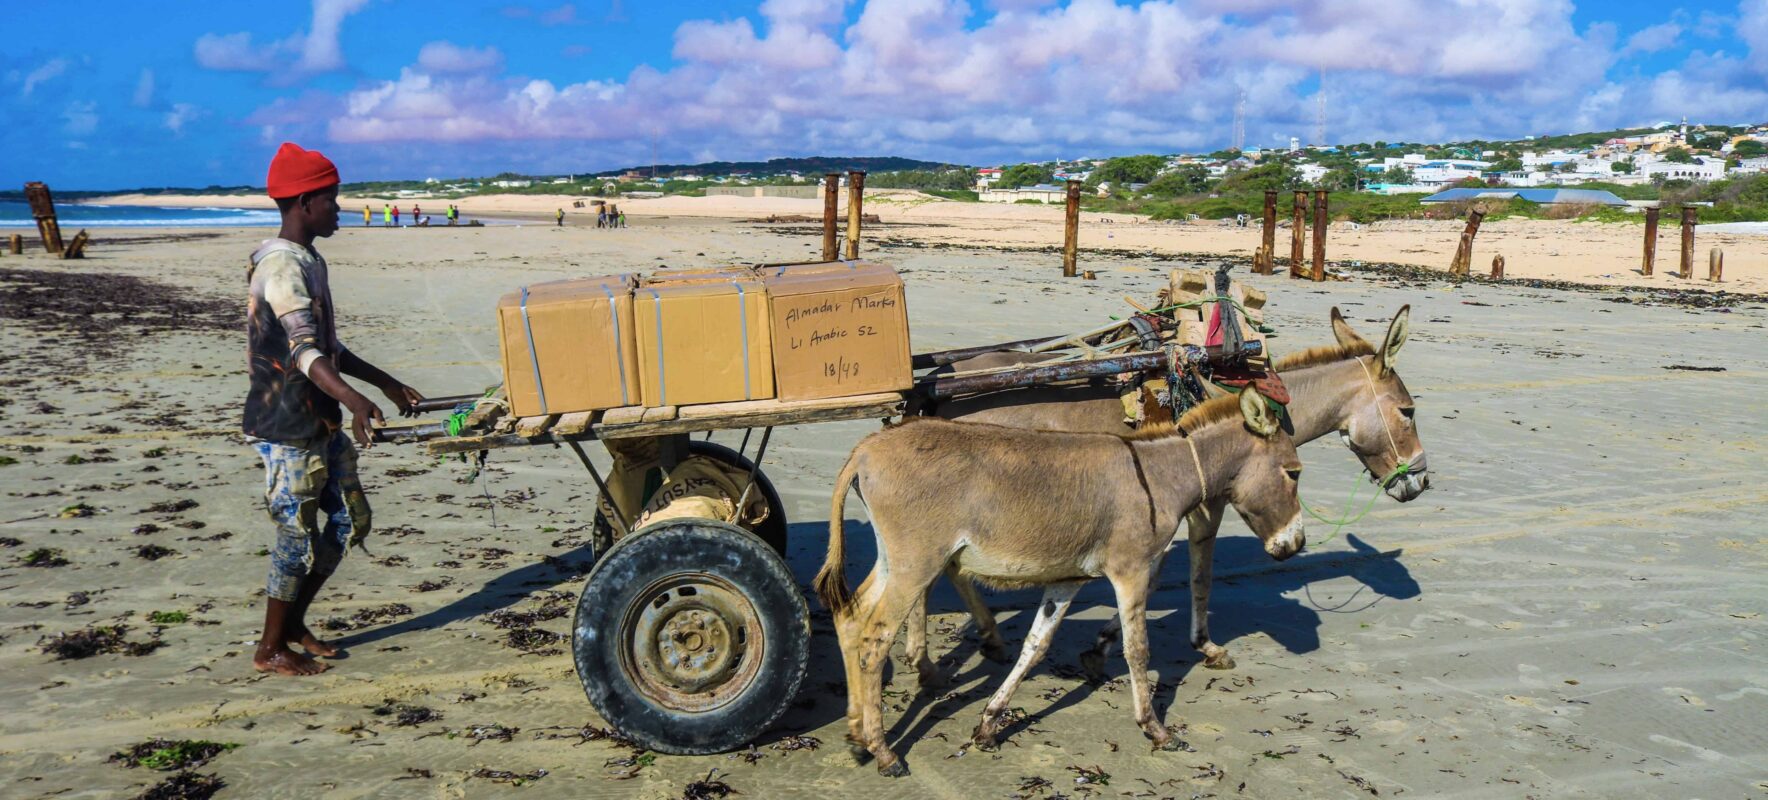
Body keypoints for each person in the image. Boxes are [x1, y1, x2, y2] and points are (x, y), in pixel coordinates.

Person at [245, 142, 424, 676]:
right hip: (286, 425)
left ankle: (293, 623)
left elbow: (330, 348)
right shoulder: (281, 268)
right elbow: (303, 351)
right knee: (296, 537)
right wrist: (353, 399)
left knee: (350, 521)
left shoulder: (309, 261)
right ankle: (270, 648)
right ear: (305, 202)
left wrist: (387, 383)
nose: (339, 208)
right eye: (332, 199)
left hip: (318, 421)